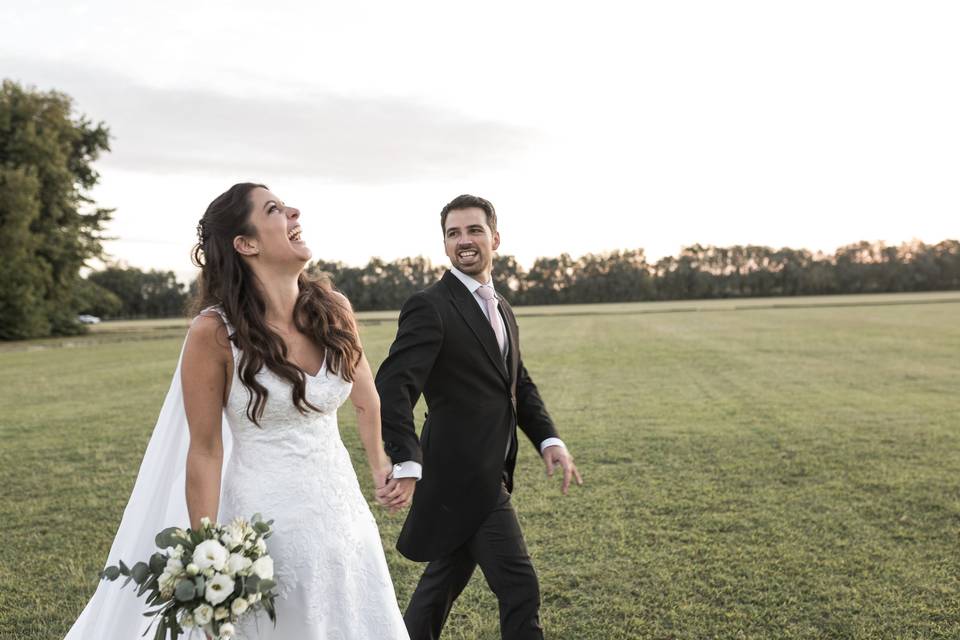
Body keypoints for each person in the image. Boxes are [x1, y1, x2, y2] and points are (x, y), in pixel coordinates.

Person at [64, 183, 409, 639]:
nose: (293, 211)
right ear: (246, 244)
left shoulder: (335, 310)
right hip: (265, 525)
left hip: (342, 514)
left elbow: (366, 397)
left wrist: (380, 464)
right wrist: (206, 560)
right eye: (274, 209)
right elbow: (205, 451)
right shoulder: (213, 333)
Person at [374, 194, 583, 640]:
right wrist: (407, 461)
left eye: (473, 231)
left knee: (441, 584)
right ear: (445, 244)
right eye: (453, 233)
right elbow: (393, 387)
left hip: (492, 468)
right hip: (461, 472)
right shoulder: (429, 305)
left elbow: (516, 384)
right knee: (520, 586)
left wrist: (549, 440)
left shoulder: (501, 306)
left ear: (495, 238)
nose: (463, 241)